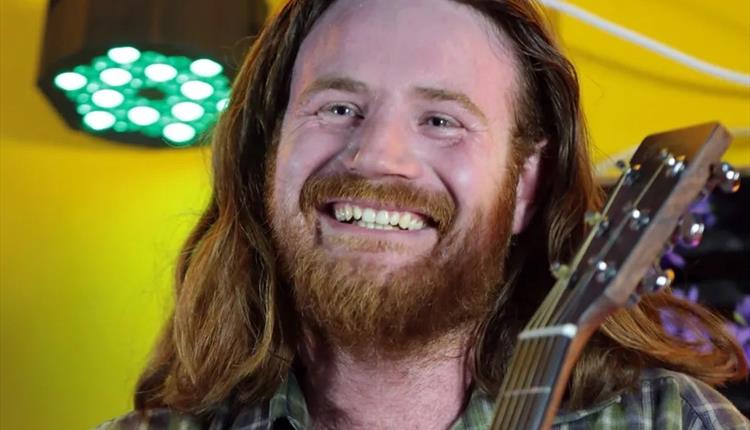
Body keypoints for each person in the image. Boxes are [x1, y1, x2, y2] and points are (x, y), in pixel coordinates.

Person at [97, 0, 749, 428]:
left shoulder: (674, 420)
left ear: (526, 185)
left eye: (441, 120)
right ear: (271, 155)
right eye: (337, 108)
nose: (378, 155)